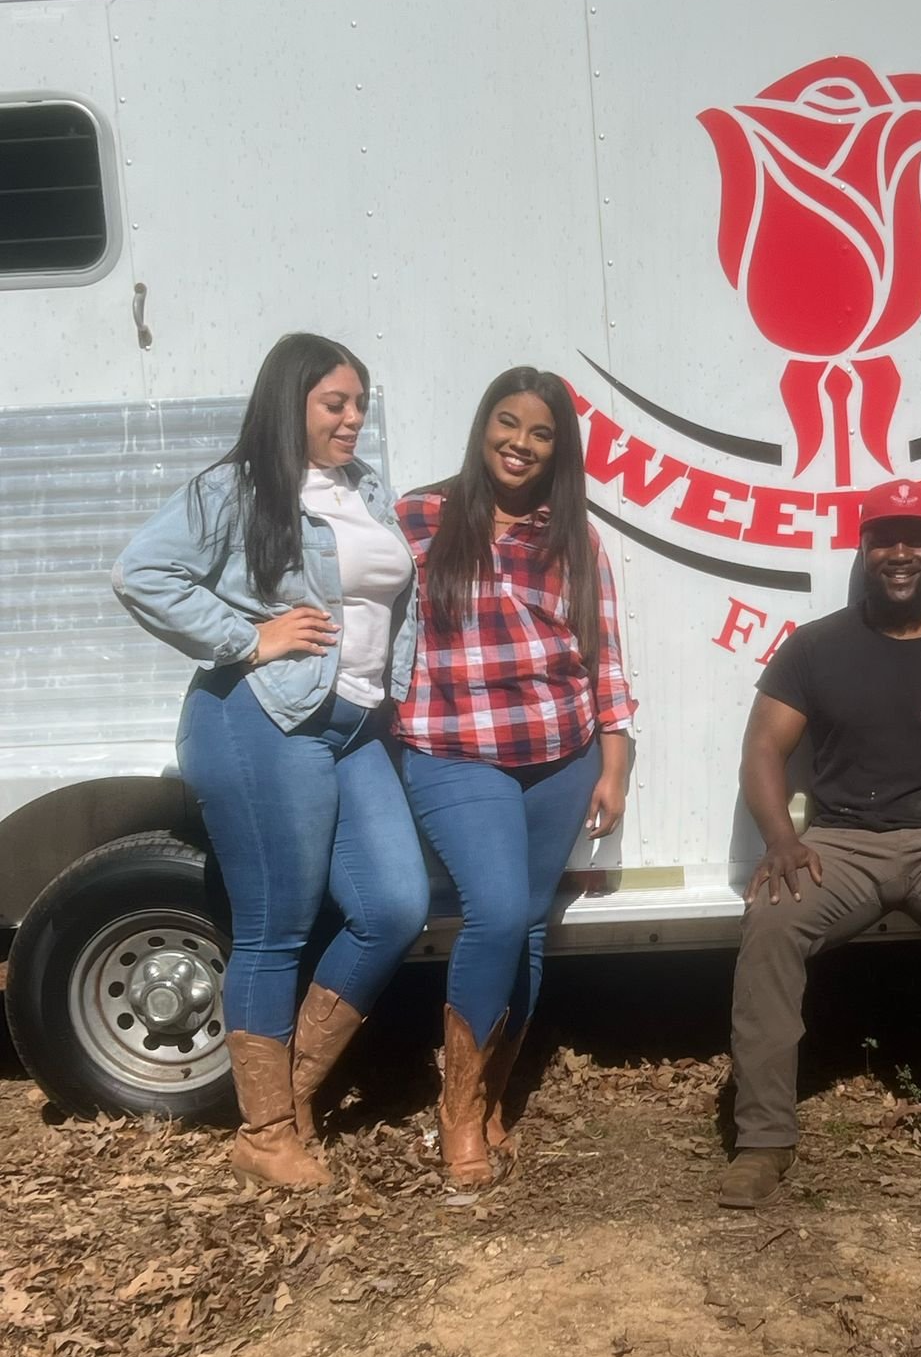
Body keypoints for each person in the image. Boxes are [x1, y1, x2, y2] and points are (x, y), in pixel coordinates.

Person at [113, 334, 428, 1189]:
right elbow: (142, 573)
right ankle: (266, 1133)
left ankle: (290, 1101)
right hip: (261, 721)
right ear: (291, 403)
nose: (353, 419)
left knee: (395, 907)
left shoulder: (366, 489)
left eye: (359, 403)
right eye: (335, 404)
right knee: (275, 926)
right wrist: (248, 637)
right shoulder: (238, 488)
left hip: (355, 726)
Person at [720, 478, 921, 1222]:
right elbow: (763, 749)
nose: (901, 553)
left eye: (917, 539)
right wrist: (781, 840)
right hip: (842, 842)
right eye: (884, 539)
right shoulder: (816, 646)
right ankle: (763, 1142)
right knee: (771, 921)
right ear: (863, 551)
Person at [396, 368, 634, 1189]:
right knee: (496, 914)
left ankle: (491, 1095)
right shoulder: (418, 518)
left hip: (560, 754)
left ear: (559, 450)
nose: (520, 444)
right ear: (482, 425)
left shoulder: (573, 537)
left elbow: (602, 653)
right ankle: (458, 1116)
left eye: (541, 433)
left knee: (530, 925)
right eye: (507, 422)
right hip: (453, 748)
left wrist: (615, 760)